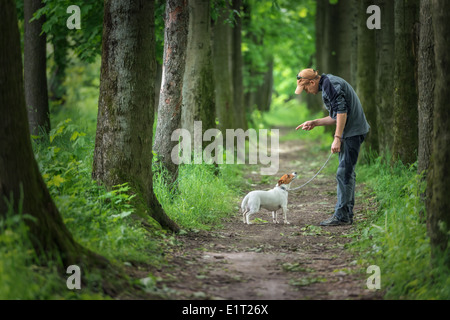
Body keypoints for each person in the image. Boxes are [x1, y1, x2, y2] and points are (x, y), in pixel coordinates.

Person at [294, 68, 370, 226]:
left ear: (313, 82)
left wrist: (337, 138)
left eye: (306, 88)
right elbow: (334, 116)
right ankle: (346, 214)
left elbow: (342, 112)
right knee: (346, 173)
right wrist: (314, 122)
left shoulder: (331, 85)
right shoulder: (327, 84)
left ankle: (342, 216)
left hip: (353, 133)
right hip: (349, 133)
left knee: (344, 173)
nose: (307, 91)